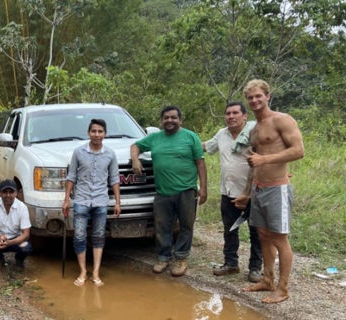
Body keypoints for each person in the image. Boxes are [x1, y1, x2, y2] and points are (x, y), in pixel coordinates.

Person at [234, 79, 304, 304]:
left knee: (280, 238)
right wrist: (246, 193)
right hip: (258, 189)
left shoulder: (282, 120)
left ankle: (283, 289)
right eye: (250, 97)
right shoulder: (254, 130)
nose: (254, 101)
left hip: (277, 188)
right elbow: (253, 164)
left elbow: (298, 151)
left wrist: (266, 158)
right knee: (263, 235)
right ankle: (268, 279)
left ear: (267, 96)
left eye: (258, 96)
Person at [130, 106, 207, 277]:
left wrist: (204, 188)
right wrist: (135, 160)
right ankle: (163, 257)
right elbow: (135, 145)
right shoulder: (155, 138)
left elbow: (200, 163)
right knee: (162, 226)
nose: (169, 121)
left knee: (186, 226)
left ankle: (181, 258)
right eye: (166, 118)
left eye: (173, 117)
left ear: (180, 120)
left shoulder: (191, 137)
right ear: (161, 120)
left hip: (186, 190)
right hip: (162, 191)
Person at [203, 102, 263, 282]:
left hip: (254, 192)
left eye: (235, 113)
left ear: (245, 116)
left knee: (256, 232)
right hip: (228, 191)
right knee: (229, 230)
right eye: (228, 113)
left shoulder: (255, 133)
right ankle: (231, 264)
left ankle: (255, 269)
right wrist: (182, 143)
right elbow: (206, 147)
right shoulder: (222, 134)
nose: (231, 116)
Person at [62, 119, 121, 287]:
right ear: (88, 133)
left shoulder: (110, 154)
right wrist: (66, 199)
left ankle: (95, 272)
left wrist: (117, 202)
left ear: (105, 134)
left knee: (98, 236)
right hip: (81, 199)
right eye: (94, 131)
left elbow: (114, 179)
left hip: (101, 201)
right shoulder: (79, 152)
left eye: (100, 131)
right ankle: (83, 271)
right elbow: (71, 176)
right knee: (79, 236)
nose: (97, 135)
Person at [0, 179, 32, 270]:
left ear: (16, 193)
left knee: (27, 247)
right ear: (0, 193)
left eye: (11, 192)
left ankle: (19, 261)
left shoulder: (22, 207)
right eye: (5, 192)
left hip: (16, 240)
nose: (8, 195)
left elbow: (26, 234)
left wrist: (10, 242)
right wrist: (0, 236)